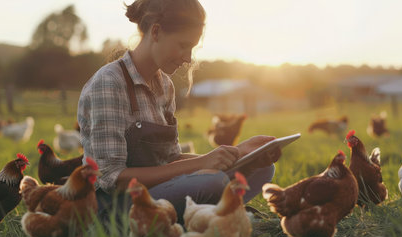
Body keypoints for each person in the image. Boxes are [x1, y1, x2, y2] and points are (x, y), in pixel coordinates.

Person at [77, 0, 281, 225]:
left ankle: (199, 220)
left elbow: (171, 159)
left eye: (192, 48)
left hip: (160, 193)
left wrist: (240, 154)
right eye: (183, 45)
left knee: (262, 169)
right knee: (211, 182)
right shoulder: (109, 83)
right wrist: (202, 164)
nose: (188, 58)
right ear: (156, 31)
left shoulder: (164, 86)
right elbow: (113, 179)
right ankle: (206, 220)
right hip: (116, 207)